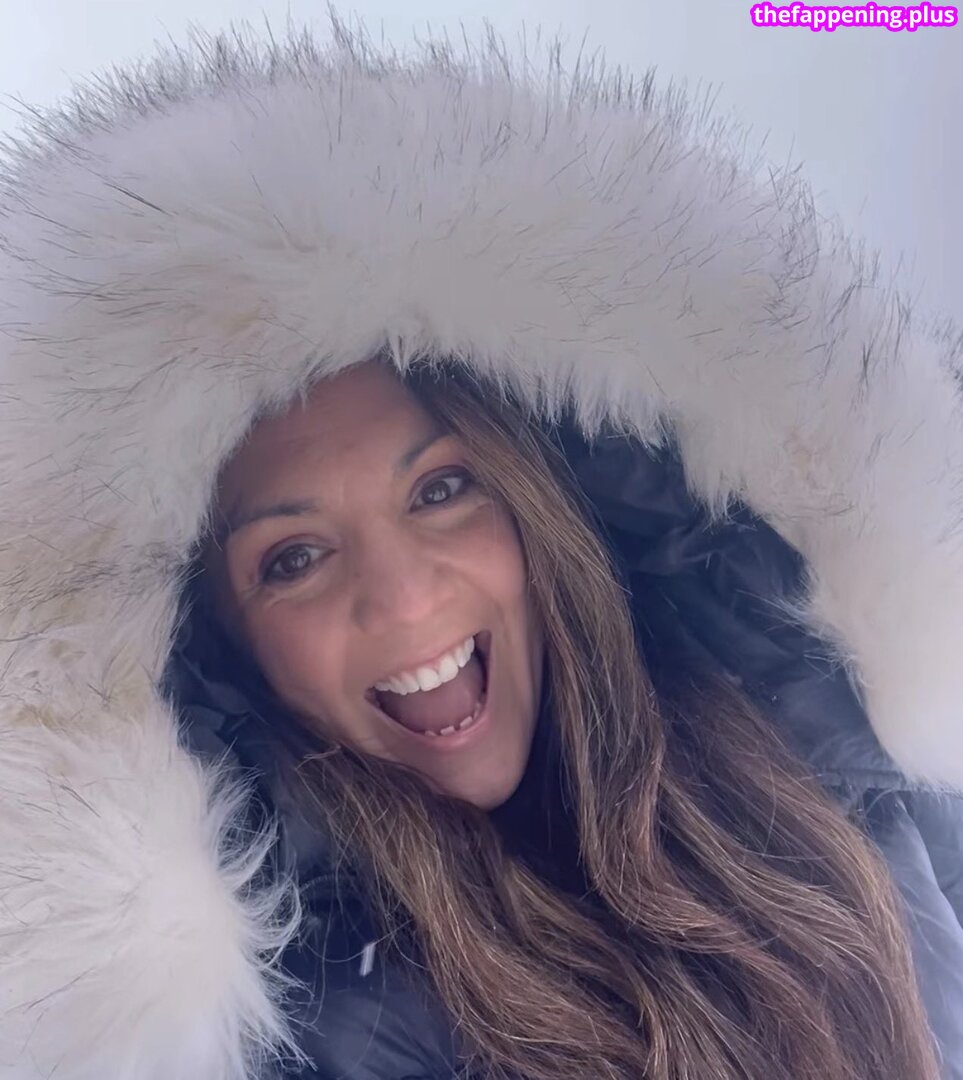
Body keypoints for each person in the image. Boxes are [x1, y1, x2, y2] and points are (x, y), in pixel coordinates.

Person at [0, 15, 960, 1080]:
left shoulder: (834, 741)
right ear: (219, 653)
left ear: (537, 499)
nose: (406, 598)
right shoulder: (309, 1037)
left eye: (440, 489)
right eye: (293, 558)